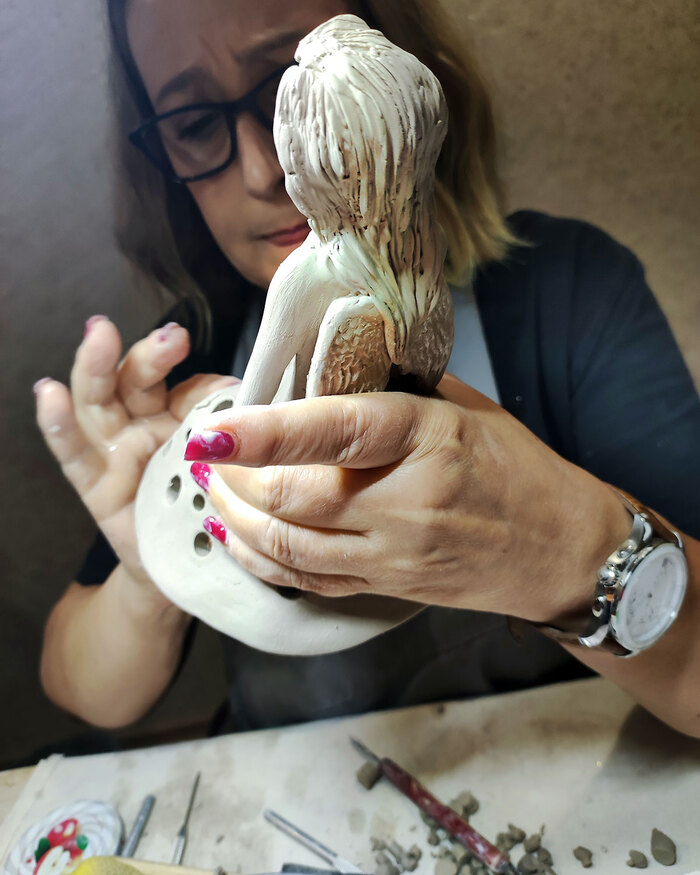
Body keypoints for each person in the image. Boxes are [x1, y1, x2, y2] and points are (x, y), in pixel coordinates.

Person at [35, 0, 700, 739]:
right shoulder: (189, 354)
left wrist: (561, 548)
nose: (263, 170)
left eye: (287, 84)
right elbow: (84, 691)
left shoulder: (571, 292)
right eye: (192, 124)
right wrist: (150, 566)